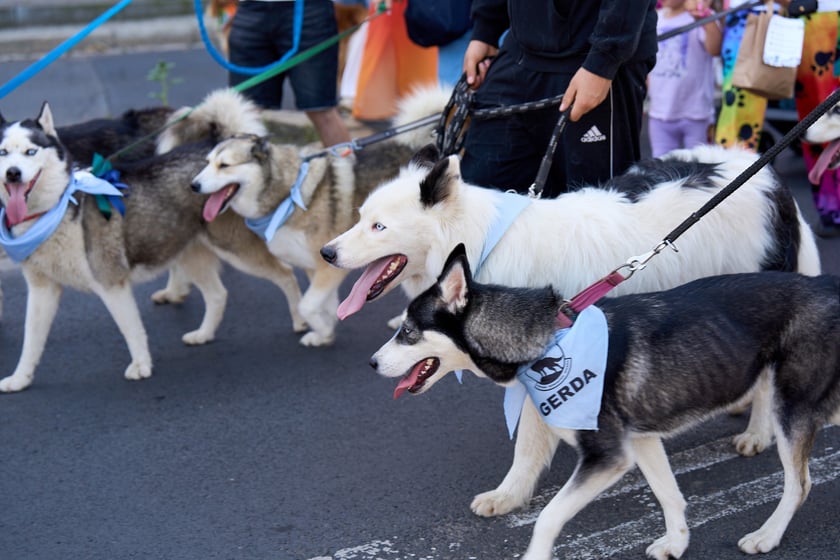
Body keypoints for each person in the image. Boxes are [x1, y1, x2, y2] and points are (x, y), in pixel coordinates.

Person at [459, 0, 659, 197]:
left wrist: (603, 62)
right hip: (519, 51)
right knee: (479, 191)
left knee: (594, 211)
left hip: (595, 60)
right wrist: (485, 30)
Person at [227, 0, 351, 147]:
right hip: (250, 9)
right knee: (245, 111)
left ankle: (348, 167)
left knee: (322, 110)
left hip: (307, 10)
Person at [647, 0, 722, 157]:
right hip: (660, 113)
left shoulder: (701, 17)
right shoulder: (655, 18)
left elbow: (715, 49)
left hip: (696, 113)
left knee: (699, 166)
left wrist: (705, 19)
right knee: (661, 167)